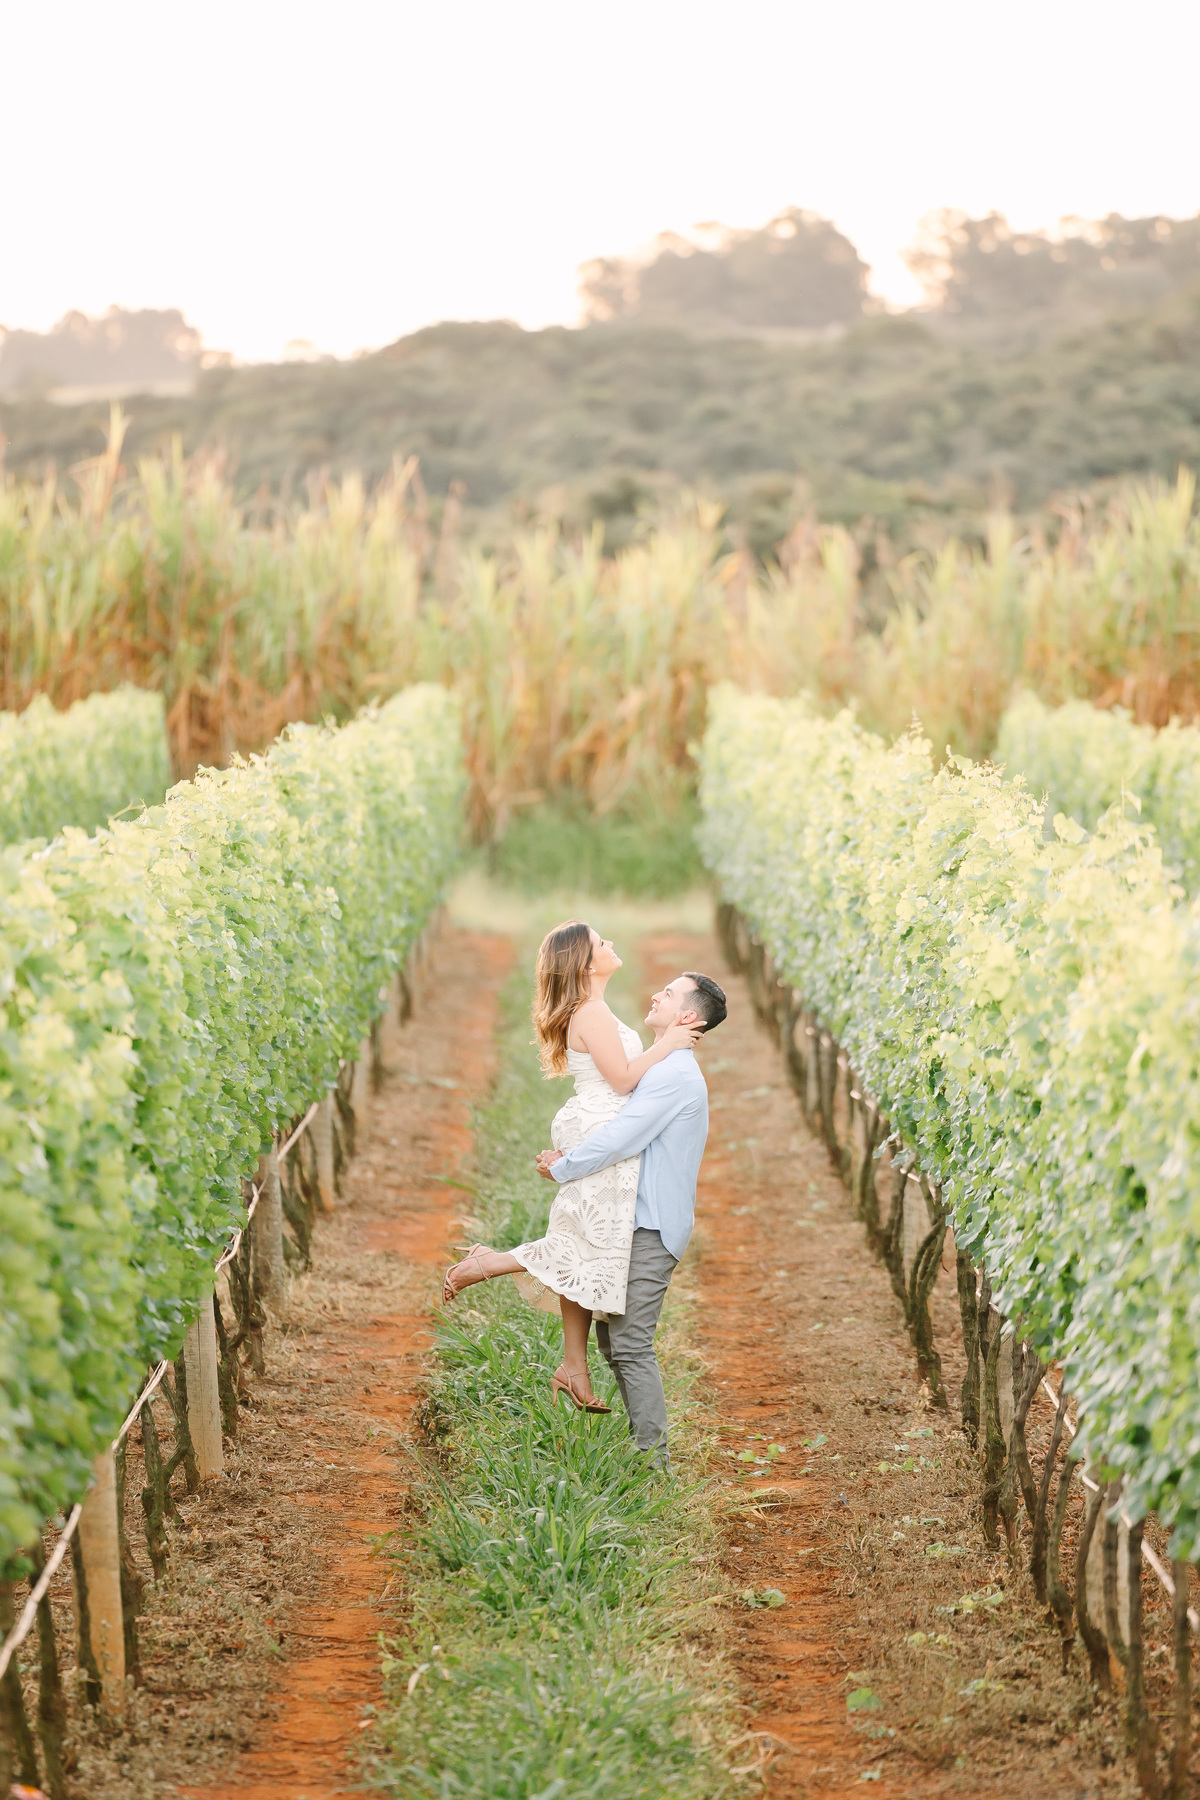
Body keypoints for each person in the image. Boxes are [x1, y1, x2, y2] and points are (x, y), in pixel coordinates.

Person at [441, 920, 701, 1409]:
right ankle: (488, 1262)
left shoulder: (593, 1009)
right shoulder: (593, 1012)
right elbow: (623, 1081)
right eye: (603, 943)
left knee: (587, 1247)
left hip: (598, 1125)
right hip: (603, 1127)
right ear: (585, 963)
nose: (612, 944)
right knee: (584, 1242)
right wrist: (666, 1047)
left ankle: (573, 1366)